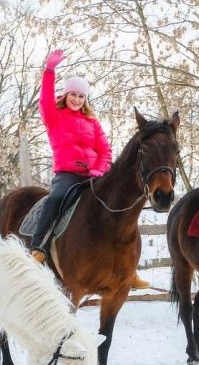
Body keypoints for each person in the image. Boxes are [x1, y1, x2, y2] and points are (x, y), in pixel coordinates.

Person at [32, 48, 150, 289]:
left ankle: (129, 269)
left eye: (81, 96)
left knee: (122, 209)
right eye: (73, 94)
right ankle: (39, 247)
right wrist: (49, 71)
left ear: (86, 99)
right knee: (55, 199)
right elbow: (45, 101)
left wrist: (99, 169)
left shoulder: (92, 122)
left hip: (95, 176)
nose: (76, 99)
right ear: (65, 96)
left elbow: (105, 150)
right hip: (67, 175)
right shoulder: (55, 117)